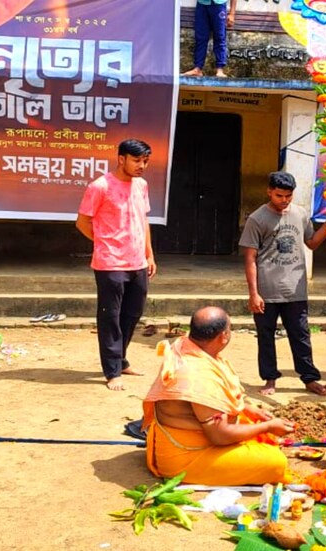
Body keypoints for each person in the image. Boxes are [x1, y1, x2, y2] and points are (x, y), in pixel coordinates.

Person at [142, 306, 294, 484]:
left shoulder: (188, 347)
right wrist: (267, 427)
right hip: (187, 456)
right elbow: (219, 436)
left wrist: (247, 408)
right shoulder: (199, 374)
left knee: (249, 423)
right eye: (229, 329)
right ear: (223, 336)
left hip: (197, 433)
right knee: (275, 463)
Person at [239, 171, 326, 396]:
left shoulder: (300, 214)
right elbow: (250, 258)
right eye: (280, 195)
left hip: (296, 289)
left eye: (288, 196)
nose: (284, 200)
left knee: (301, 335)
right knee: (266, 336)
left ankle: (310, 378)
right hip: (267, 291)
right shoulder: (257, 219)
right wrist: (254, 293)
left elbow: (311, 243)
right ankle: (270, 379)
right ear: (269, 191)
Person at [76, 139, 157, 391]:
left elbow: (143, 221)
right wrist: (104, 241)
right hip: (110, 262)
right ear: (121, 159)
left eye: (145, 161)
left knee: (133, 313)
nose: (141, 166)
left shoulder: (141, 185)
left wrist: (149, 255)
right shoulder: (100, 186)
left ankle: (121, 360)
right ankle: (112, 371)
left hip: (138, 262)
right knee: (110, 317)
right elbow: (82, 222)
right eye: (136, 160)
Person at [182, 0, 237, 77]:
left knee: (220, 36)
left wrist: (232, 13)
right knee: (200, 37)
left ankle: (220, 69)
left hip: (219, 4)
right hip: (202, 4)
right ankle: (198, 68)